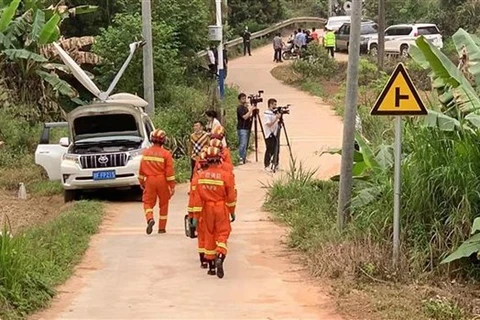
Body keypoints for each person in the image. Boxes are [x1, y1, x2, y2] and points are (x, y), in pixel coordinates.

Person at [191, 146, 236, 278]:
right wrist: (232, 211)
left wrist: (195, 217)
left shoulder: (200, 177)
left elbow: (197, 200)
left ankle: (211, 268)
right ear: (219, 160)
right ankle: (220, 255)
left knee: (209, 234)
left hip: (206, 210)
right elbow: (231, 197)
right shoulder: (225, 176)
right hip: (221, 208)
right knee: (222, 233)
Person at [138, 129, 176, 235]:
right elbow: (169, 173)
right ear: (163, 140)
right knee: (164, 204)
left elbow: (141, 171)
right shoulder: (166, 154)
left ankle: (150, 219)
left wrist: (142, 183)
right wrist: (172, 187)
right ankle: (162, 228)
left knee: (147, 203)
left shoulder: (146, 153)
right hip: (162, 181)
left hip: (149, 180)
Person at [187, 149, 209, 269]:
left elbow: (194, 201)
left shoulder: (196, 180)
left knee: (202, 236)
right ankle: (214, 259)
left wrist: (192, 216)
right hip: (217, 211)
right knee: (214, 235)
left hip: (200, 213)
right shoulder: (222, 175)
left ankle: (204, 261)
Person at [263, 98, 281, 172]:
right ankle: (266, 165)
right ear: (270, 104)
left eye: (276, 104)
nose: (275, 106)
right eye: (274, 104)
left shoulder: (274, 112)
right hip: (269, 134)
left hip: (275, 133)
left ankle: (275, 164)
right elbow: (269, 124)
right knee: (269, 150)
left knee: (276, 149)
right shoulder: (266, 113)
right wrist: (276, 118)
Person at [236, 93, 254, 164]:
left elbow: (249, 117)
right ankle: (240, 157)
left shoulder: (245, 107)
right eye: (242, 98)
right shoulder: (240, 108)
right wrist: (251, 110)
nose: (244, 100)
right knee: (242, 144)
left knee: (246, 144)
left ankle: (244, 158)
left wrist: (250, 110)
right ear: (239, 100)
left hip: (246, 128)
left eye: (245, 98)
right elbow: (245, 117)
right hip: (242, 128)